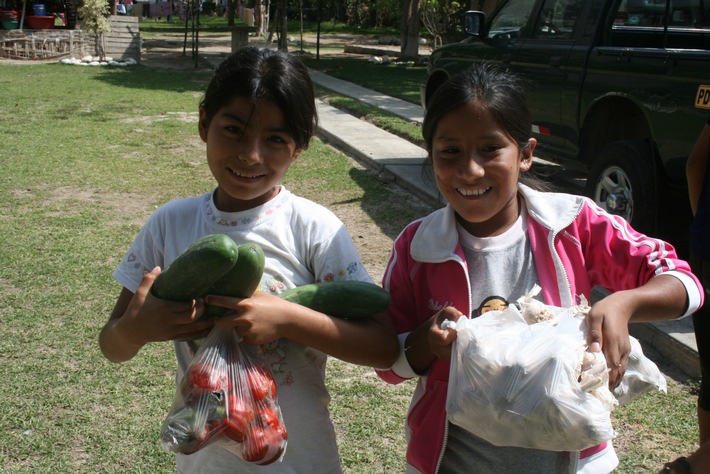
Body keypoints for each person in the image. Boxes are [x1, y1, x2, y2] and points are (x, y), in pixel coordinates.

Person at [375, 63, 704, 474]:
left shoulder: (575, 224)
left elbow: (685, 283)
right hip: (453, 462)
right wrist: (426, 343)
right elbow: (388, 361)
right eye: (450, 151)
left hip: (570, 461)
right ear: (432, 155)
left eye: (490, 149)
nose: (470, 169)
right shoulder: (417, 247)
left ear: (526, 154)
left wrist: (625, 304)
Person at [99, 47, 399, 474]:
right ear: (205, 123)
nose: (250, 154)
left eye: (275, 139)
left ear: (298, 147)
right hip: (206, 461)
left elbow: (384, 347)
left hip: (300, 460)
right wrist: (137, 328)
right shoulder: (169, 224)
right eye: (234, 129)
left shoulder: (314, 226)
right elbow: (112, 345)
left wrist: (290, 318)